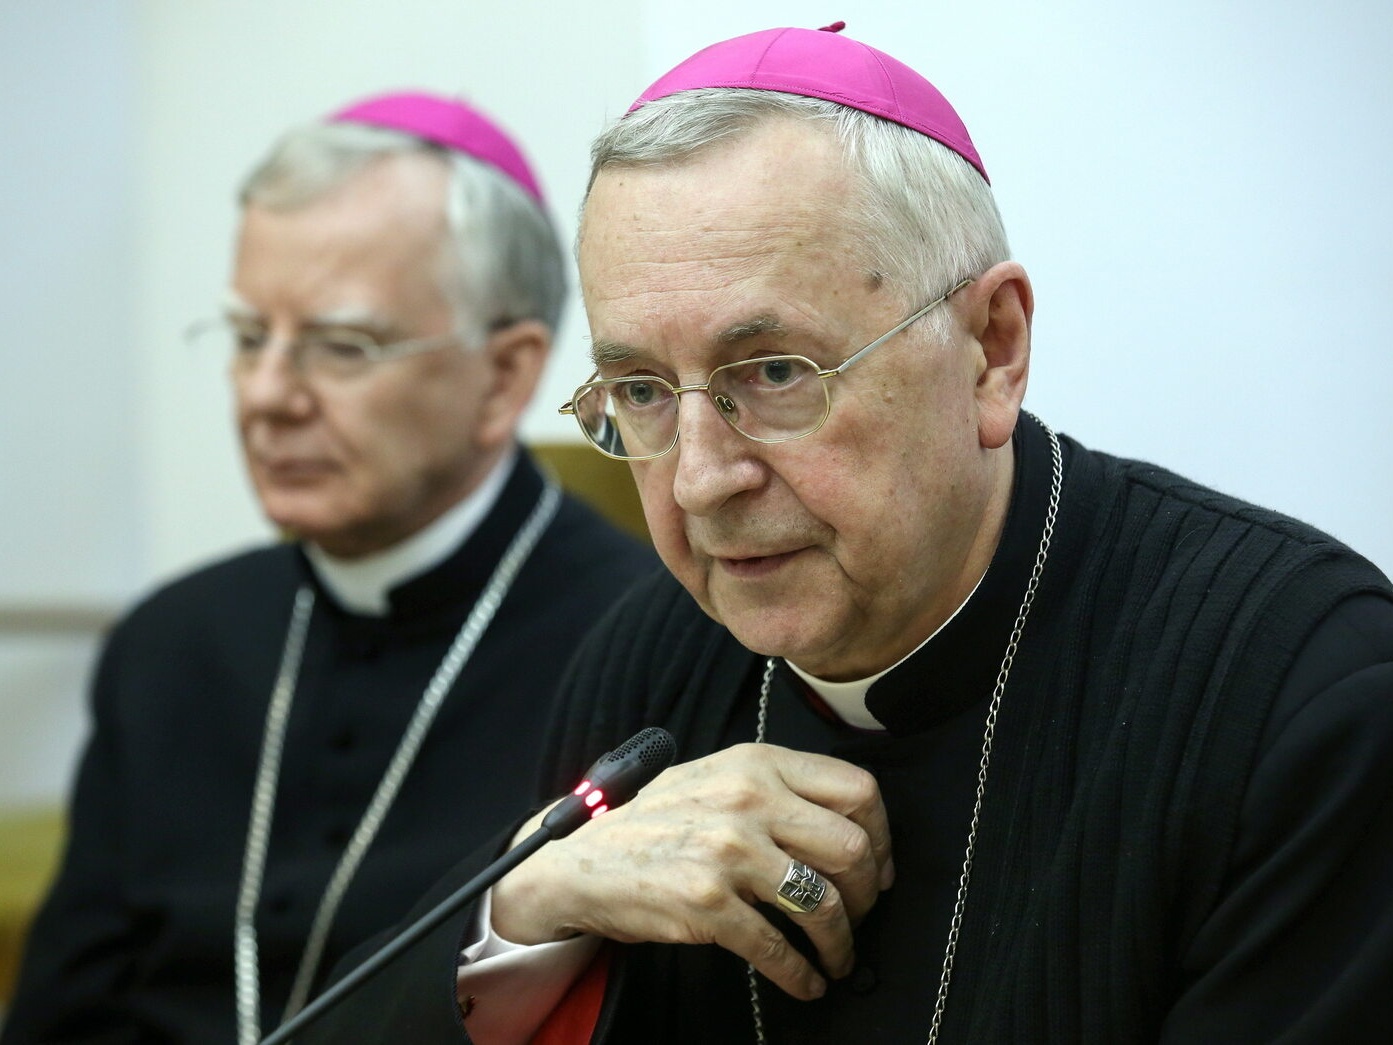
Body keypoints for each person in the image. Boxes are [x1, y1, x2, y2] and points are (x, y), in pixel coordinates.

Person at [294, 25, 1393, 1045]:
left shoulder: (1300, 692)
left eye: (773, 373)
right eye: (638, 387)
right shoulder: (643, 662)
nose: (701, 479)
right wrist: (526, 907)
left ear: (991, 351)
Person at [1, 92, 657, 1045]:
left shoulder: (647, 648)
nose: (266, 395)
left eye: (339, 346)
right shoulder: (169, 641)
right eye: (248, 337)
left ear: (505, 375)